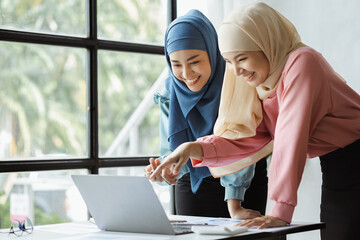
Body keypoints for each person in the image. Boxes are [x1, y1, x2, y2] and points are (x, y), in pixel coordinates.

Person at [150, 2, 360, 240]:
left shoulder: (302, 63)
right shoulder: (263, 80)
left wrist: (281, 210)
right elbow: (250, 138)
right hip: (336, 161)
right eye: (228, 61)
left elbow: (289, 138)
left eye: (242, 58)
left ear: (265, 44)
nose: (236, 71)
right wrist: (193, 148)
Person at [146, 9, 269, 219]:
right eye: (176, 64)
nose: (187, 74)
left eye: (194, 62)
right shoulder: (169, 94)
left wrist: (235, 204)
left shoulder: (238, 81)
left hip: (244, 181)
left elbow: (241, 143)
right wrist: (166, 170)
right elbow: (172, 151)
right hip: (194, 183)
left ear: (213, 51)